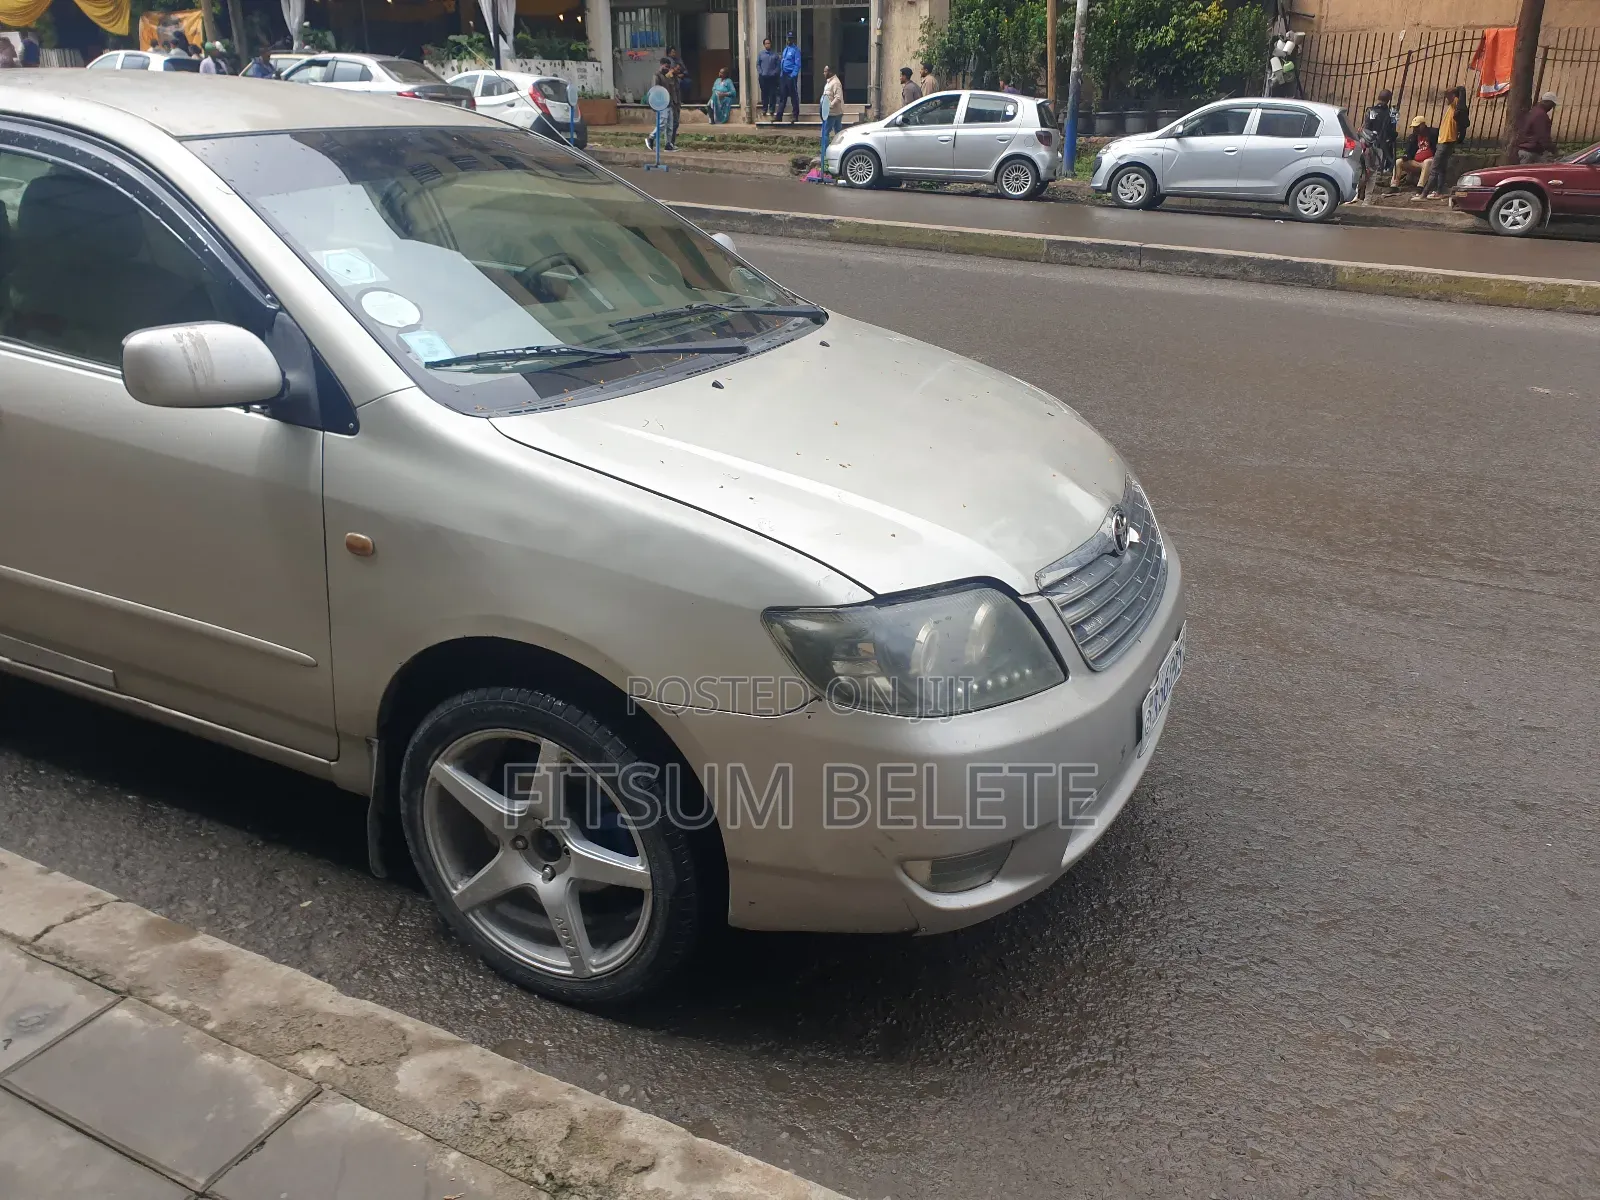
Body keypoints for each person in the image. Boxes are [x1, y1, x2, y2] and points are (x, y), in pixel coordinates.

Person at [1421, 85, 1468, 199]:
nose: (1446, 98)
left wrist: (1460, 91)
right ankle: (1439, 192)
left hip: (1446, 141)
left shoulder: (1457, 104)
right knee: (1441, 169)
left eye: (1447, 95)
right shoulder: (1452, 106)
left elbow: (1462, 104)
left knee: (1434, 169)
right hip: (1445, 140)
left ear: (1452, 96)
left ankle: (1424, 194)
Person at [1391, 115, 1436, 190]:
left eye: (1417, 127)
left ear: (1423, 125)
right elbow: (1409, 151)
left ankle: (1420, 186)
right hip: (1416, 162)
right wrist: (1405, 156)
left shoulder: (1433, 134)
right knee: (1398, 162)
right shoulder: (1413, 137)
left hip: (1429, 161)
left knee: (1427, 162)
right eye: (1414, 127)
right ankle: (1394, 185)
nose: (1415, 129)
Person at [1514, 92, 1559, 164]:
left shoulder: (1533, 111)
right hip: (1532, 152)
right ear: (1547, 102)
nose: (1552, 108)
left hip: (1525, 150)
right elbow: (1543, 136)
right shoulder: (1541, 115)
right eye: (1552, 105)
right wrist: (1553, 150)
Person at [645, 57, 679, 151]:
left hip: (670, 103)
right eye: (666, 66)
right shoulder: (657, 76)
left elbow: (673, 88)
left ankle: (668, 144)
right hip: (661, 104)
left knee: (670, 126)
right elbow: (655, 90)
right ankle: (651, 137)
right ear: (661, 65)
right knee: (662, 124)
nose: (668, 69)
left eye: (669, 67)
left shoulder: (667, 76)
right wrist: (656, 105)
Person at [777, 30, 801, 124]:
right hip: (784, 75)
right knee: (782, 96)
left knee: (794, 96)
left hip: (791, 76)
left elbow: (797, 64)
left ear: (793, 39)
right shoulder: (786, 49)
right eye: (788, 38)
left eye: (790, 38)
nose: (789, 40)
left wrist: (793, 75)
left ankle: (795, 115)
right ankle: (779, 116)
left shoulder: (796, 50)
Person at [820, 64, 844, 148]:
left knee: (825, 133)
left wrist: (829, 106)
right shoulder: (829, 83)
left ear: (830, 72)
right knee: (838, 133)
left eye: (825, 71)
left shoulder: (836, 83)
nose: (823, 73)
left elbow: (838, 97)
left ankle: (825, 152)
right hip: (832, 112)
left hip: (832, 113)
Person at [756, 36, 780, 118]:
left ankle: (772, 109)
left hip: (772, 78)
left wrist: (774, 72)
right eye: (766, 43)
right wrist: (761, 72)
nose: (768, 45)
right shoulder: (761, 54)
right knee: (764, 94)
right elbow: (758, 64)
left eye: (769, 43)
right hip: (763, 77)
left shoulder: (775, 55)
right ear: (764, 45)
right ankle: (764, 109)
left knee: (772, 94)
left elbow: (778, 66)